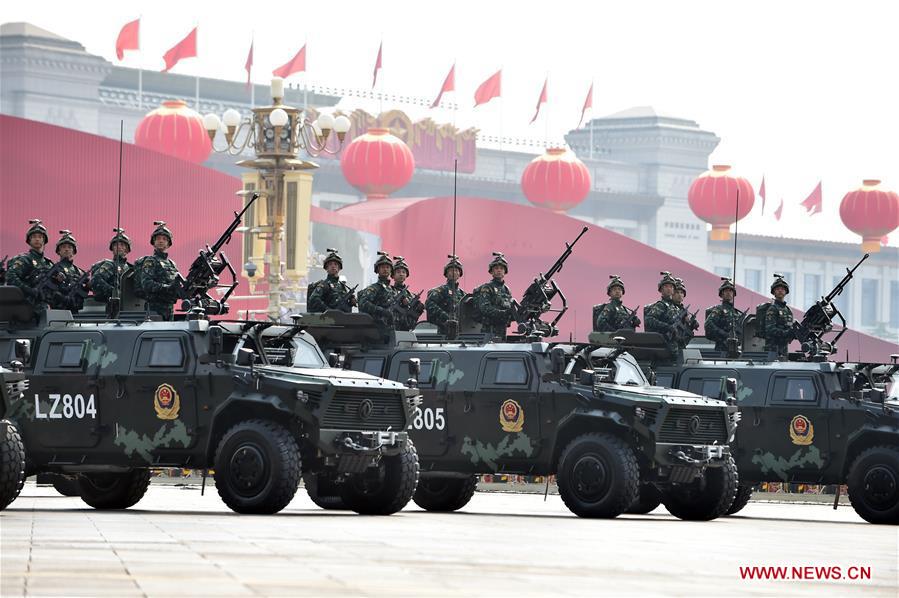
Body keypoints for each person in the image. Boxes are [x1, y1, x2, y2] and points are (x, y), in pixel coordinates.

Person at [135, 221, 180, 320]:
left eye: (164, 239)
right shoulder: (151, 261)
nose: (161, 241)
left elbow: (176, 284)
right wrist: (167, 287)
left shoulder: (172, 264)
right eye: (158, 239)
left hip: (169, 308)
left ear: (168, 243)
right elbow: (146, 283)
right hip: (154, 309)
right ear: (154, 242)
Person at [5, 219, 54, 309]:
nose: (37, 239)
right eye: (34, 236)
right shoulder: (25, 259)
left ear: (44, 240)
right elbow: (10, 276)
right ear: (29, 240)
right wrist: (29, 290)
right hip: (26, 308)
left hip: (44, 308)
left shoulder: (49, 264)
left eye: (40, 237)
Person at [472, 252, 514, 339]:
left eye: (501, 268)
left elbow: (509, 307)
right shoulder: (487, 288)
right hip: (489, 330)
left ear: (505, 271)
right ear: (492, 272)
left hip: (502, 329)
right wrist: (504, 313)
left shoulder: (507, 290)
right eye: (496, 268)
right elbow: (485, 308)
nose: (499, 270)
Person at [358, 252, 397, 336]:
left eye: (387, 267)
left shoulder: (392, 289)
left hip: (391, 329)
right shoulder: (374, 288)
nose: (385, 269)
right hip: (376, 330)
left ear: (391, 270)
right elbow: (363, 303)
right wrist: (381, 310)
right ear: (378, 270)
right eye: (382, 267)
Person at [426, 255, 466, 336]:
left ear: (460, 274)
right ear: (446, 273)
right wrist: (445, 316)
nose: (454, 272)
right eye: (451, 270)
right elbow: (429, 304)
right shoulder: (441, 290)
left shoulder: (462, 294)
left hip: (460, 330)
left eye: (457, 270)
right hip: (443, 330)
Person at [306, 248, 357, 313]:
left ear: (339, 268)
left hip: (343, 319)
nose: (333, 266)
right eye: (330, 264)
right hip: (328, 320)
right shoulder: (324, 284)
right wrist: (328, 310)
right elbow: (314, 299)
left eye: (335, 264)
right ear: (326, 269)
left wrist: (351, 302)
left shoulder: (342, 286)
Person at [644, 271, 681, 357]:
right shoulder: (661, 305)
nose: (669, 289)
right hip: (663, 346)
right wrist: (667, 326)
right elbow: (649, 320)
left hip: (674, 346)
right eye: (666, 286)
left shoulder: (675, 307)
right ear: (661, 290)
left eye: (671, 287)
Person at [91, 228, 132, 304]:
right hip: (112, 305)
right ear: (112, 248)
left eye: (122, 245)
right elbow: (96, 280)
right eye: (116, 245)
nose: (119, 247)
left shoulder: (130, 268)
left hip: (128, 305)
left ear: (127, 249)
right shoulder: (110, 265)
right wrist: (114, 291)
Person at [758, 274, 794, 356]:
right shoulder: (772, 309)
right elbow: (770, 329)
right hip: (772, 349)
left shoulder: (788, 310)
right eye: (777, 289)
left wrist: (793, 333)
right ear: (774, 292)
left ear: (786, 292)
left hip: (784, 349)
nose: (780, 291)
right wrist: (786, 333)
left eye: (782, 289)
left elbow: (790, 328)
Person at [51, 230, 87, 312]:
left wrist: (87, 287)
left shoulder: (79, 271)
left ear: (73, 251)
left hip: (76, 310)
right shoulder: (53, 269)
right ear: (59, 251)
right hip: (59, 310)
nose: (66, 249)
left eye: (69, 247)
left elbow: (85, 292)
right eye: (63, 247)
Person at [705, 278, 743, 353]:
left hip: (736, 348)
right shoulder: (719, 309)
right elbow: (708, 324)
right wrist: (724, 334)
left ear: (733, 294)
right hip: (721, 349)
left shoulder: (737, 313)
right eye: (726, 291)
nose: (728, 293)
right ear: (722, 294)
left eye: (730, 290)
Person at [391, 255, 424, 331]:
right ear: (393, 275)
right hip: (392, 328)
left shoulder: (411, 295)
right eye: (398, 272)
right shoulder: (389, 291)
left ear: (406, 275)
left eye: (403, 272)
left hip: (406, 328)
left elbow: (415, 315)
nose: (401, 274)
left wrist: (418, 309)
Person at [672, 278, 699, 349]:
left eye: (681, 293)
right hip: (671, 343)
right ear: (672, 294)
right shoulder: (669, 308)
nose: (679, 295)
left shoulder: (684, 310)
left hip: (681, 343)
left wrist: (693, 323)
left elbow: (688, 323)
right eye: (677, 292)